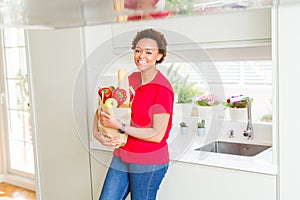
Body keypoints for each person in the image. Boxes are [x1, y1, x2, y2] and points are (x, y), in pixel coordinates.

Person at [93, 28, 174, 200]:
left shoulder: (162, 89)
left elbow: (155, 135)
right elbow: (108, 106)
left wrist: (119, 126)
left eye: (148, 52)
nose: (141, 55)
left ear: (159, 56)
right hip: (123, 155)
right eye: (138, 50)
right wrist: (98, 133)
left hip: (149, 162)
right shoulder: (130, 79)